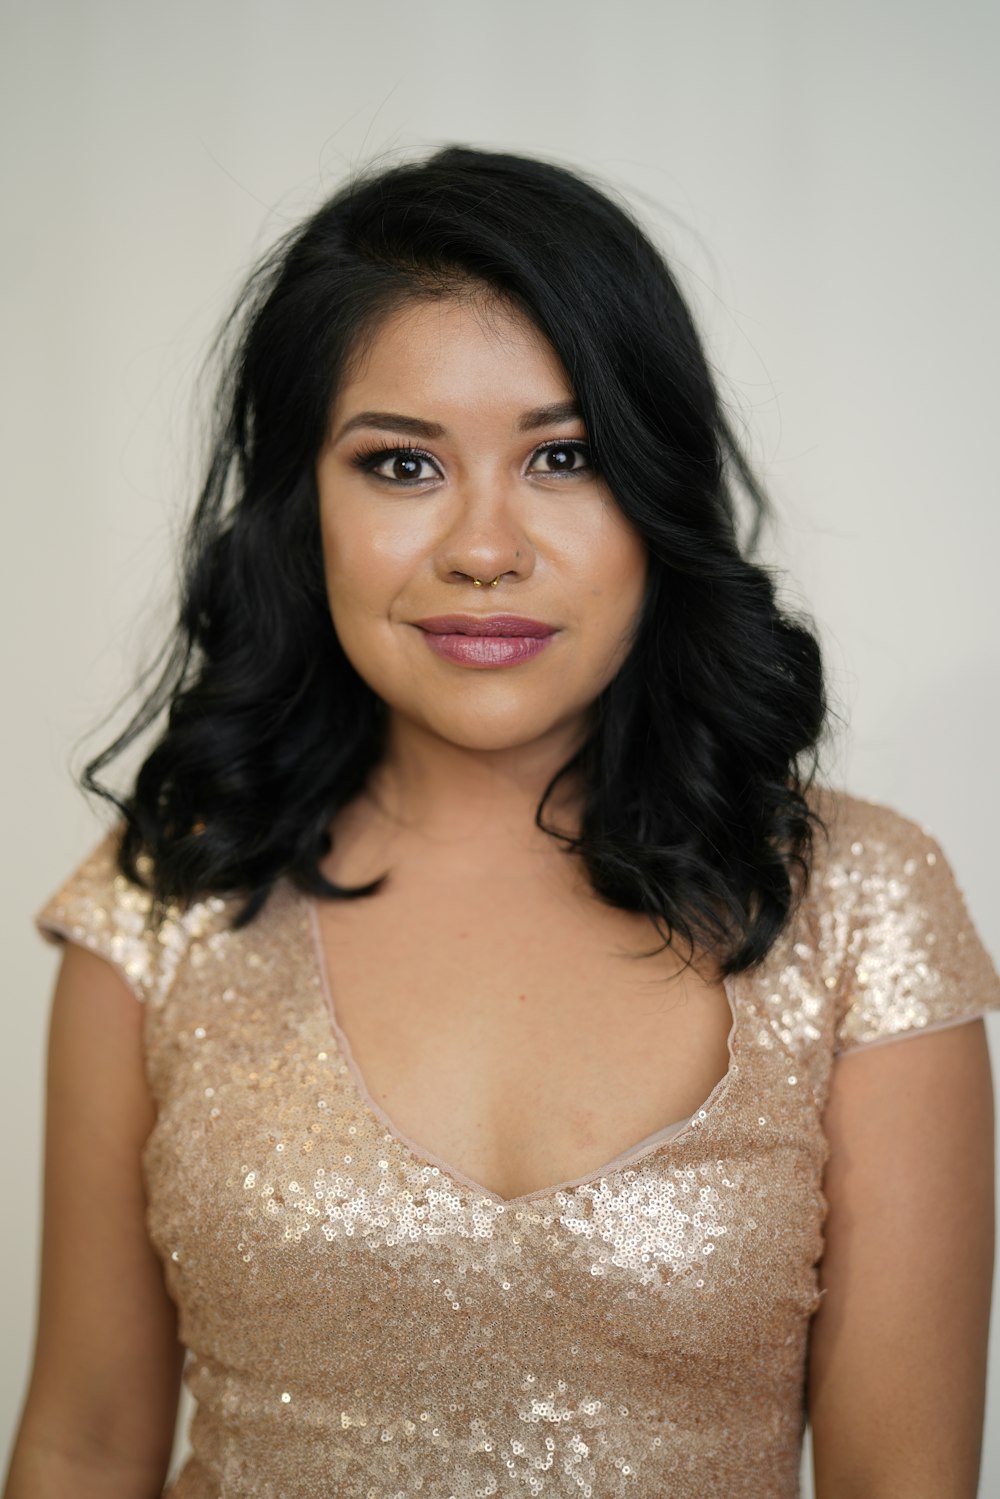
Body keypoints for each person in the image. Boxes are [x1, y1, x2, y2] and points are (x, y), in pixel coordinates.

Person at [4, 145, 999, 1499]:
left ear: (658, 492)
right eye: (402, 464)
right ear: (306, 512)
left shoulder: (861, 903)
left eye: (565, 455)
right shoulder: (161, 895)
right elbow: (82, 1445)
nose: (484, 546)